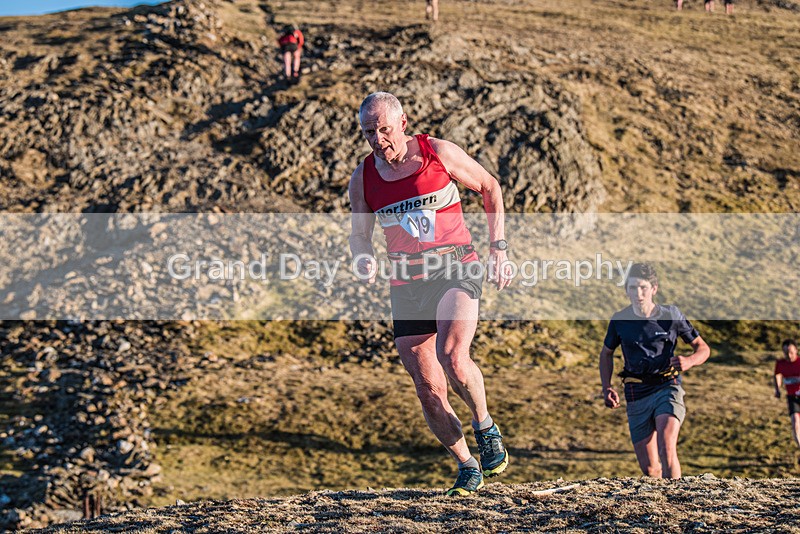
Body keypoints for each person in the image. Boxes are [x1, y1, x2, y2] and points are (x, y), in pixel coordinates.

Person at [348, 92, 512, 496]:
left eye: (384, 129)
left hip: (455, 265)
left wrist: (499, 248)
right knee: (427, 387)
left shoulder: (437, 152)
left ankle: (485, 425)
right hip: (407, 282)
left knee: (454, 356)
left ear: (403, 123)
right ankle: (467, 464)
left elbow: (490, 187)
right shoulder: (363, 177)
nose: (377, 139)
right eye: (369, 132)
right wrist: (363, 258)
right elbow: (359, 234)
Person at [599, 263, 710, 478]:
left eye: (642, 287)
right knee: (650, 469)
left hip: (667, 386)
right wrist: (606, 387)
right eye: (632, 288)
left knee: (666, 447)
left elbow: (703, 348)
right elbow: (606, 354)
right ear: (626, 291)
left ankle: (678, 501)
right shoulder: (620, 320)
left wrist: (690, 361)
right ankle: (661, 504)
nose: (637, 293)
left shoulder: (671, 315)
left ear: (654, 289)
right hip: (636, 391)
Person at [773, 339, 800, 451]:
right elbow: (777, 375)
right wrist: (777, 389)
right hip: (792, 397)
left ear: (796, 350)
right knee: (795, 423)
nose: (788, 355)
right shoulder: (781, 364)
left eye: (791, 352)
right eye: (785, 353)